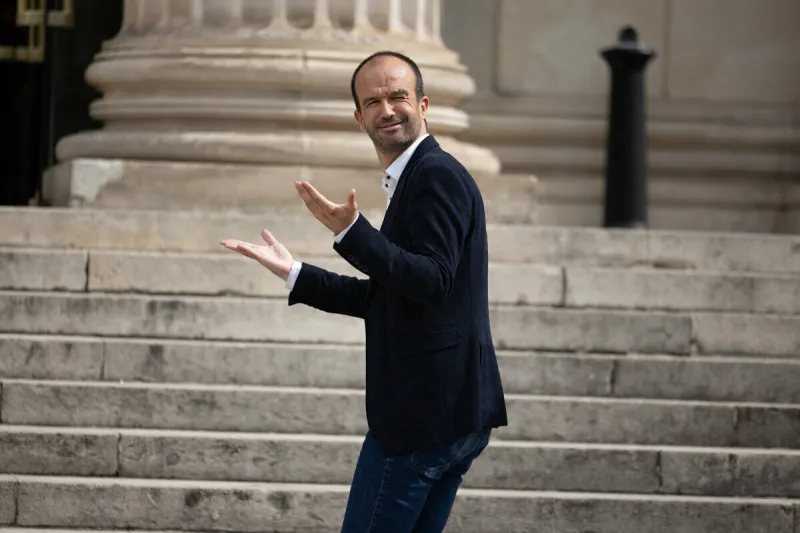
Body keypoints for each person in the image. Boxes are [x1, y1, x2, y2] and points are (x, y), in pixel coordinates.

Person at [221, 50, 508, 533]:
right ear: (359, 118)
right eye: (373, 101)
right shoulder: (417, 177)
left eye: (398, 96)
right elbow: (393, 295)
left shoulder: (435, 174)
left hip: (424, 415)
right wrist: (295, 272)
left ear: (423, 104)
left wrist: (355, 231)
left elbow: (430, 280)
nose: (387, 109)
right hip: (448, 413)